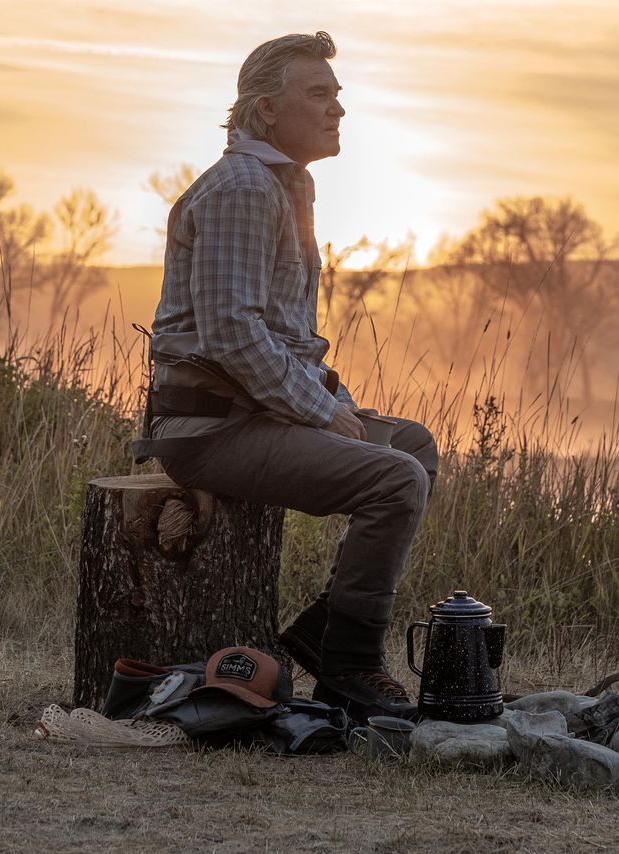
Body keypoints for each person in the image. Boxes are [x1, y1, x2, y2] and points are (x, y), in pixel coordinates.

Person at [133, 31, 437, 723]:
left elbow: (290, 340)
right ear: (266, 110)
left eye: (337, 96)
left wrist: (337, 402)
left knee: (410, 447)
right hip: (209, 428)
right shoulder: (243, 189)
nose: (337, 111)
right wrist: (318, 412)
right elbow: (232, 333)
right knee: (395, 479)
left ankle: (324, 633)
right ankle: (351, 664)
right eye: (319, 95)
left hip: (256, 415)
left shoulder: (285, 185)